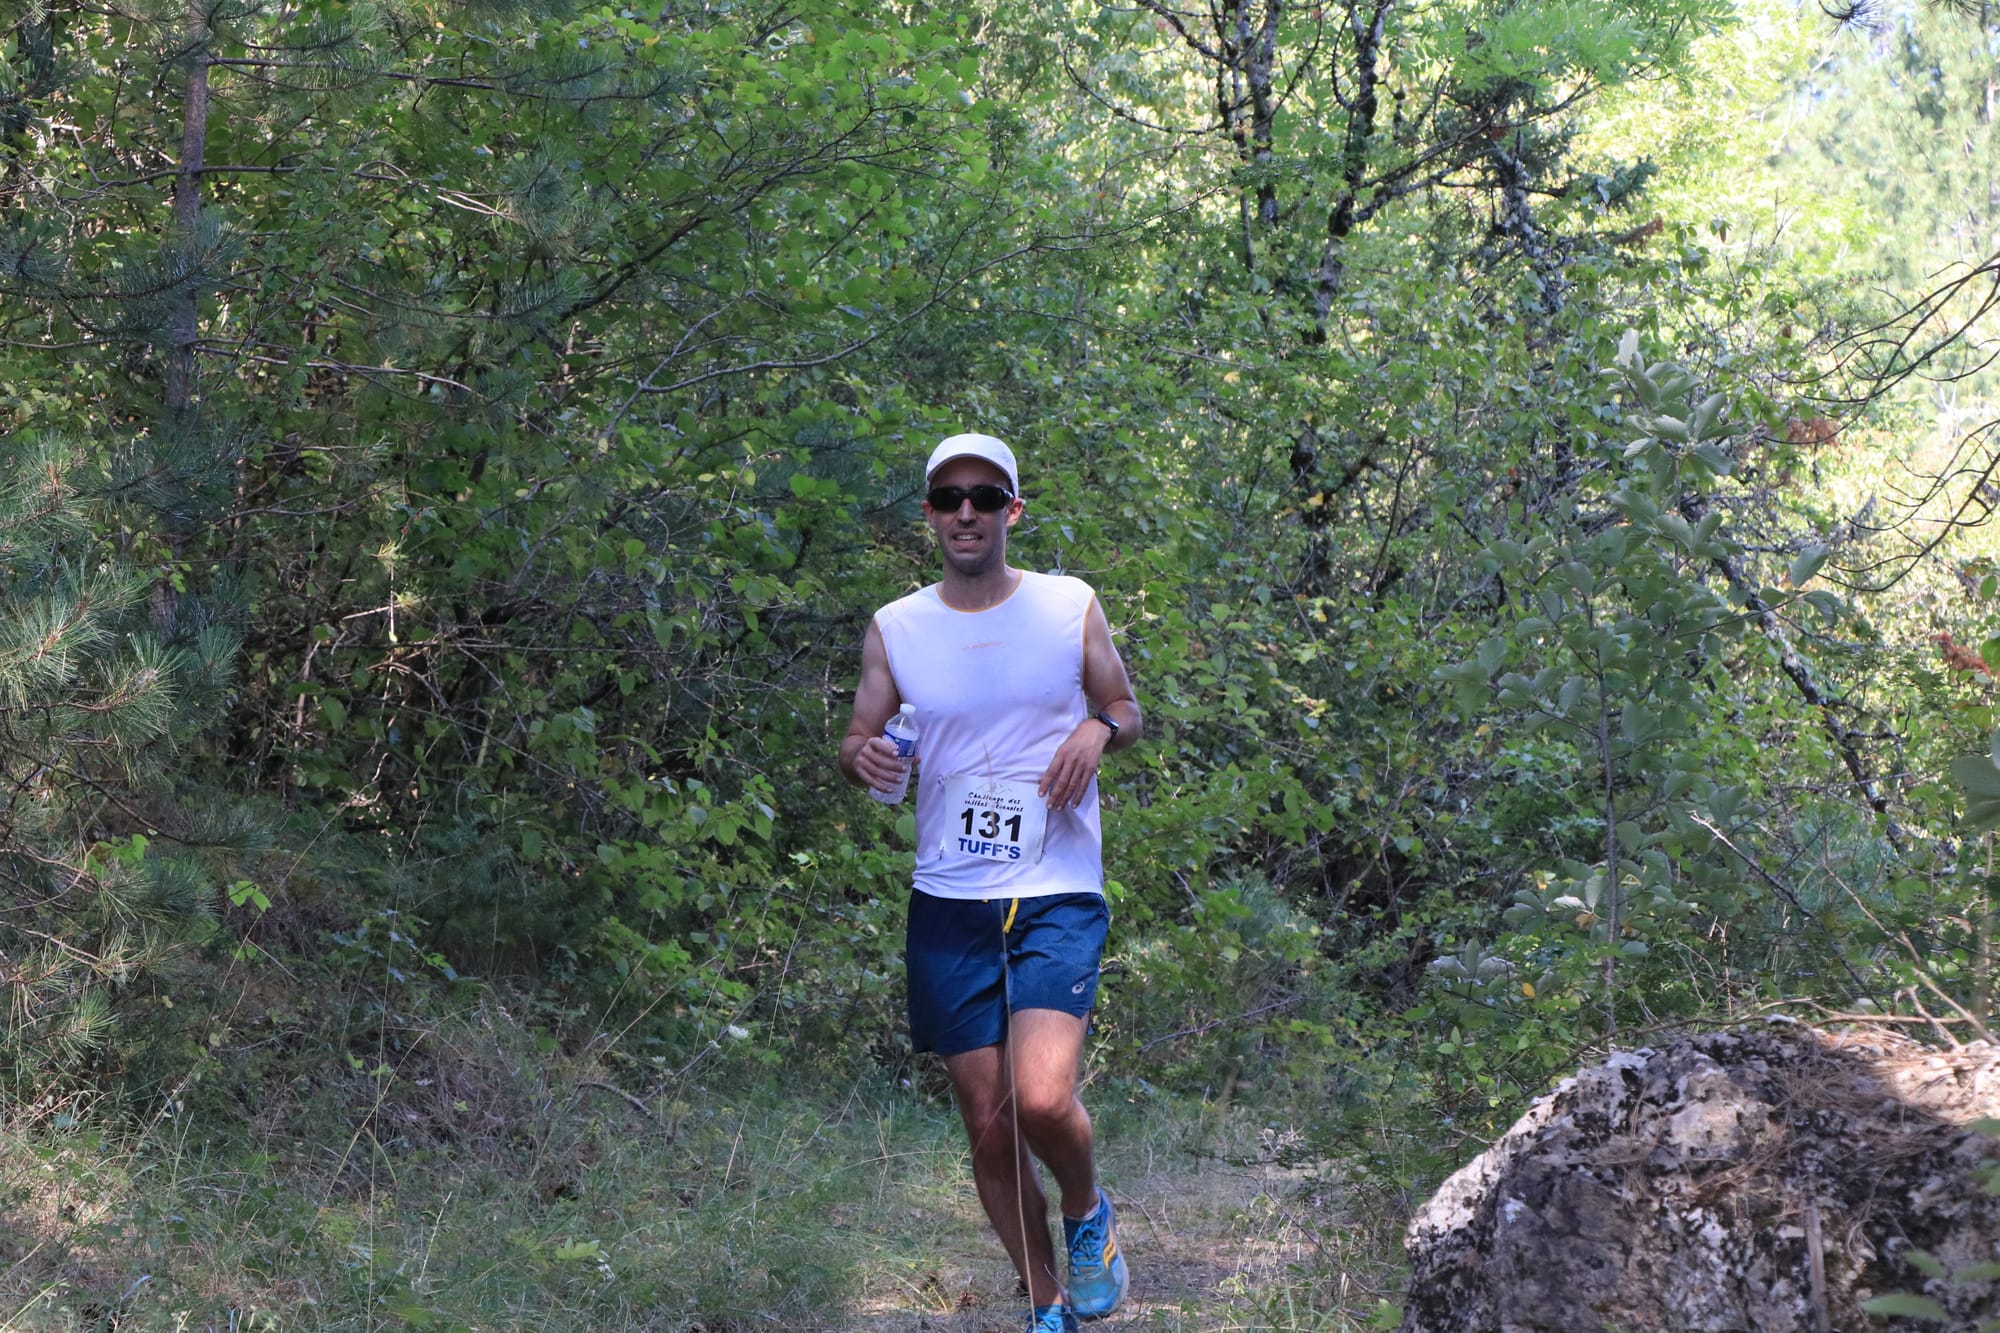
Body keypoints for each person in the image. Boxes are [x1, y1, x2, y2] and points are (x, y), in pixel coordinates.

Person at [839, 433, 1142, 1333]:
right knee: (987, 1120)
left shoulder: (1067, 605)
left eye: (983, 495)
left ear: (1013, 509)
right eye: (947, 497)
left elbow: (1126, 707)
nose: (964, 511)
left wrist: (1097, 732)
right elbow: (859, 738)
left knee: (1042, 1096)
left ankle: (1087, 1211)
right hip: (948, 899)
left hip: (1054, 885)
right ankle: (1047, 1302)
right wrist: (866, 762)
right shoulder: (898, 625)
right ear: (929, 515)